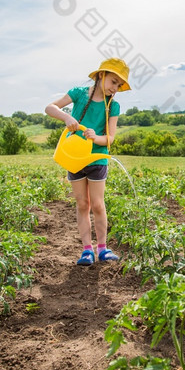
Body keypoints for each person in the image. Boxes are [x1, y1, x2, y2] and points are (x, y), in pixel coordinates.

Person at [45, 58, 131, 266]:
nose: (115, 88)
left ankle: (102, 248)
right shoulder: (78, 94)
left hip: (97, 158)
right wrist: (66, 118)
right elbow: (49, 107)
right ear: (101, 75)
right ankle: (86, 250)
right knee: (82, 204)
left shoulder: (113, 106)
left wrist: (95, 137)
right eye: (113, 82)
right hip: (74, 156)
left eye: (119, 85)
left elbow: (109, 139)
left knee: (98, 205)